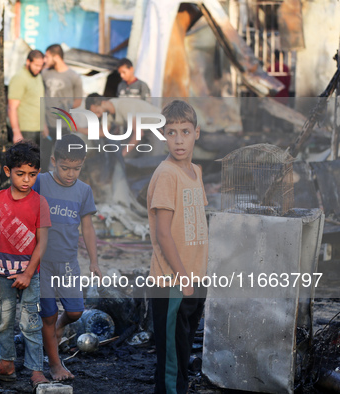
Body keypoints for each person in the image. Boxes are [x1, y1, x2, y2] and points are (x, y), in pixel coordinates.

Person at [146, 100, 208, 394]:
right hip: (172, 282)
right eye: (171, 132)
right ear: (164, 135)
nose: (179, 139)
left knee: (182, 353)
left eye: (185, 131)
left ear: (197, 132)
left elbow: (196, 227)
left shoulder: (195, 171)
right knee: (171, 362)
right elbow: (163, 234)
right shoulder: (167, 174)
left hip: (194, 279)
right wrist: (183, 277)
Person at [0, 141, 51, 389]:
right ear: (8, 171)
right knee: (4, 321)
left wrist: (29, 274)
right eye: (20, 174)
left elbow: (42, 243)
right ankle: (6, 363)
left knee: (30, 322)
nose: (26, 180)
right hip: (0, 274)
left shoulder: (40, 203)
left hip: (29, 274)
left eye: (32, 174)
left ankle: (36, 369)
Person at [33, 134, 102, 381]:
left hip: (68, 262)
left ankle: (60, 328)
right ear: (53, 161)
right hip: (41, 263)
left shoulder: (83, 191)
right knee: (47, 315)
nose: (70, 173)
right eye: (65, 167)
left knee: (75, 311)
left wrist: (93, 261)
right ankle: (54, 365)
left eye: (76, 168)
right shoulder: (40, 182)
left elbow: (88, 228)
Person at [42, 44, 83, 171]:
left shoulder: (74, 76)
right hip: (46, 125)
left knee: (64, 161)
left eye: (47, 56)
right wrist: (42, 124)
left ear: (56, 57)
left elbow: (78, 101)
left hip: (64, 126)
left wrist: (67, 105)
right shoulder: (44, 74)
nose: (45, 59)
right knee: (43, 161)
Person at [85, 93, 162, 156]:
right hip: (142, 129)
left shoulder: (123, 106)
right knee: (127, 157)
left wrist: (123, 153)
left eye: (97, 112)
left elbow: (138, 133)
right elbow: (103, 133)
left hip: (157, 125)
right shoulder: (106, 113)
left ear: (103, 103)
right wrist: (78, 129)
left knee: (154, 158)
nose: (98, 116)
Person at [8, 50, 45, 144]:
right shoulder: (20, 78)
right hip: (25, 130)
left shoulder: (38, 75)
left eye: (41, 65)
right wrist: (16, 133)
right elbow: (12, 107)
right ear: (28, 62)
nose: (39, 68)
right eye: (36, 65)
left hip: (38, 129)